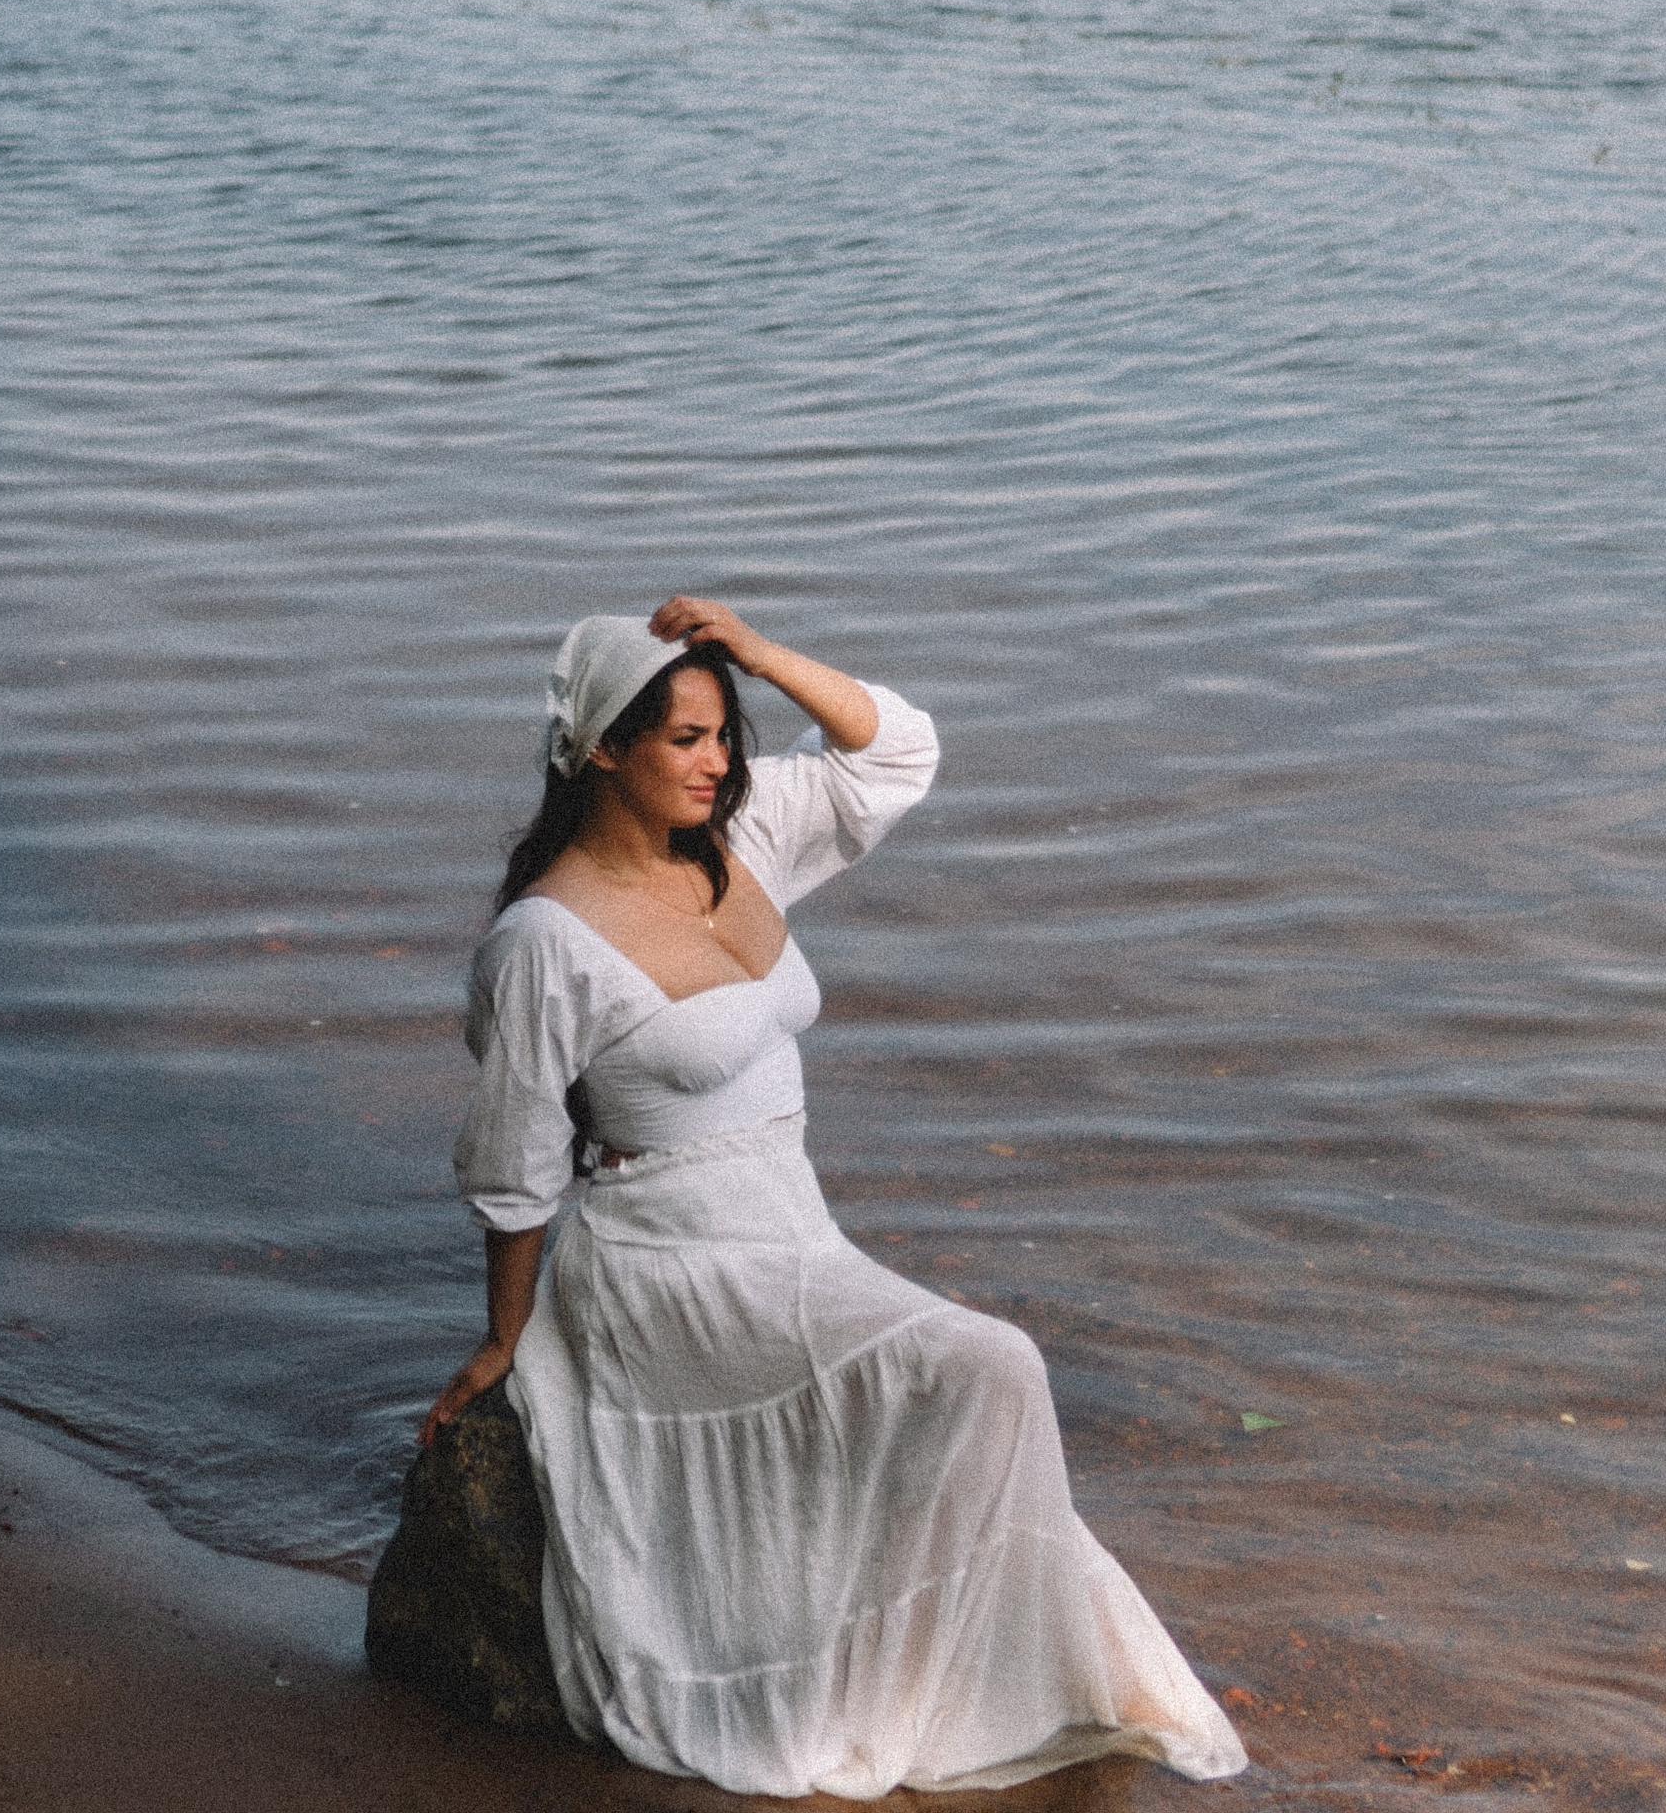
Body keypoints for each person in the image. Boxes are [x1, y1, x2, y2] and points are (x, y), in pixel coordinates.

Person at [427, 594, 1248, 1797]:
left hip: (793, 1233)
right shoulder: (544, 942)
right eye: (687, 740)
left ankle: (927, 1673)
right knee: (995, 1362)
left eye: (725, 734)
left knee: (973, 1382)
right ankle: (894, 1690)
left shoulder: (742, 840)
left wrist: (752, 651)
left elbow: (899, 748)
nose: (719, 764)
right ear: (605, 747)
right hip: (670, 1262)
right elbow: (512, 1167)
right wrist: (508, 1338)